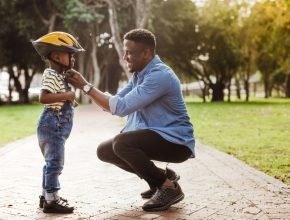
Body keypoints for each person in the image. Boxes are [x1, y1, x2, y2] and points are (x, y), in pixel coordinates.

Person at [65, 28, 195, 212]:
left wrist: (85, 86)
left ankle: (168, 187)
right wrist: (86, 87)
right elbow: (114, 102)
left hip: (176, 142)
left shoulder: (159, 75)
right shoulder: (138, 76)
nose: (125, 57)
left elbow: (120, 107)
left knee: (122, 143)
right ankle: (162, 177)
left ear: (146, 53)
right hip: (157, 136)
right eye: (125, 52)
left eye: (129, 52)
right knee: (104, 150)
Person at [32, 31, 85, 213]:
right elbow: (43, 97)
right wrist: (69, 95)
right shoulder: (50, 74)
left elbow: (59, 98)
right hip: (52, 123)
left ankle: (45, 196)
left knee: (51, 163)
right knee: (55, 163)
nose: (73, 59)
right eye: (70, 55)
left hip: (55, 125)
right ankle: (52, 201)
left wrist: (70, 98)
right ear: (56, 56)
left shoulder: (59, 75)